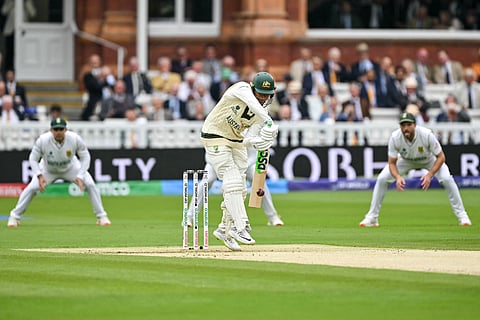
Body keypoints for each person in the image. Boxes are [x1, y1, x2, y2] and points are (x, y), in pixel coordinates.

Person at [200, 71, 279, 251]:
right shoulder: (241, 89)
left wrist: (259, 141)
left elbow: (248, 138)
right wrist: (269, 121)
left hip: (236, 141)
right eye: (261, 93)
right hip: (215, 135)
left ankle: (224, 229)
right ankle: (240, 226)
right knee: (232, 178)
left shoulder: (263, 111)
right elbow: (253, 104)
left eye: (268, 95)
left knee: (240, 188)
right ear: (253, 89)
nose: (263, 98)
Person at [359, 112, 472, 227]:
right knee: (382, 178)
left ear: (415, 125)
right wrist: (397, 177)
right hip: (406, 160)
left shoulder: (426, 134)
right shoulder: (395, 137)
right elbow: (392, 163)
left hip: (428, 160)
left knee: (447, 179)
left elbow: (441, 157)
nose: (405, 128)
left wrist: (430, 174)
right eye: (403, 125)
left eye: (408, 124)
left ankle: (462, 216)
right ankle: (372, 217)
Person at [7, 117, 111, 227]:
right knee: (32, 188)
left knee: (90, 184)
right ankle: (14, 217)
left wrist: (80, 175)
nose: (58, 132)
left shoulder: (74, 138)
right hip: (48, 169)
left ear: (66, 130)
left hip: (70, 167)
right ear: (51, 130)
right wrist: (39, 175)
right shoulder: (43, 140)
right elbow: (33, 159)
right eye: (56, 130)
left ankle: (101, 216)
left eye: (61, 129)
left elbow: (85, 157)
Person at [185, 148, 284, 229]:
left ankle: (273, 217)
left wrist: (240, 167)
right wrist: (224, 166)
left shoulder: (246, 132)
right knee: (207, 181)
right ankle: (189, 216)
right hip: (217, 164)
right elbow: (209, 156)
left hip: (244, 165)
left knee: (259, 182)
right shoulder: (219, 130)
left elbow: (254, 157)